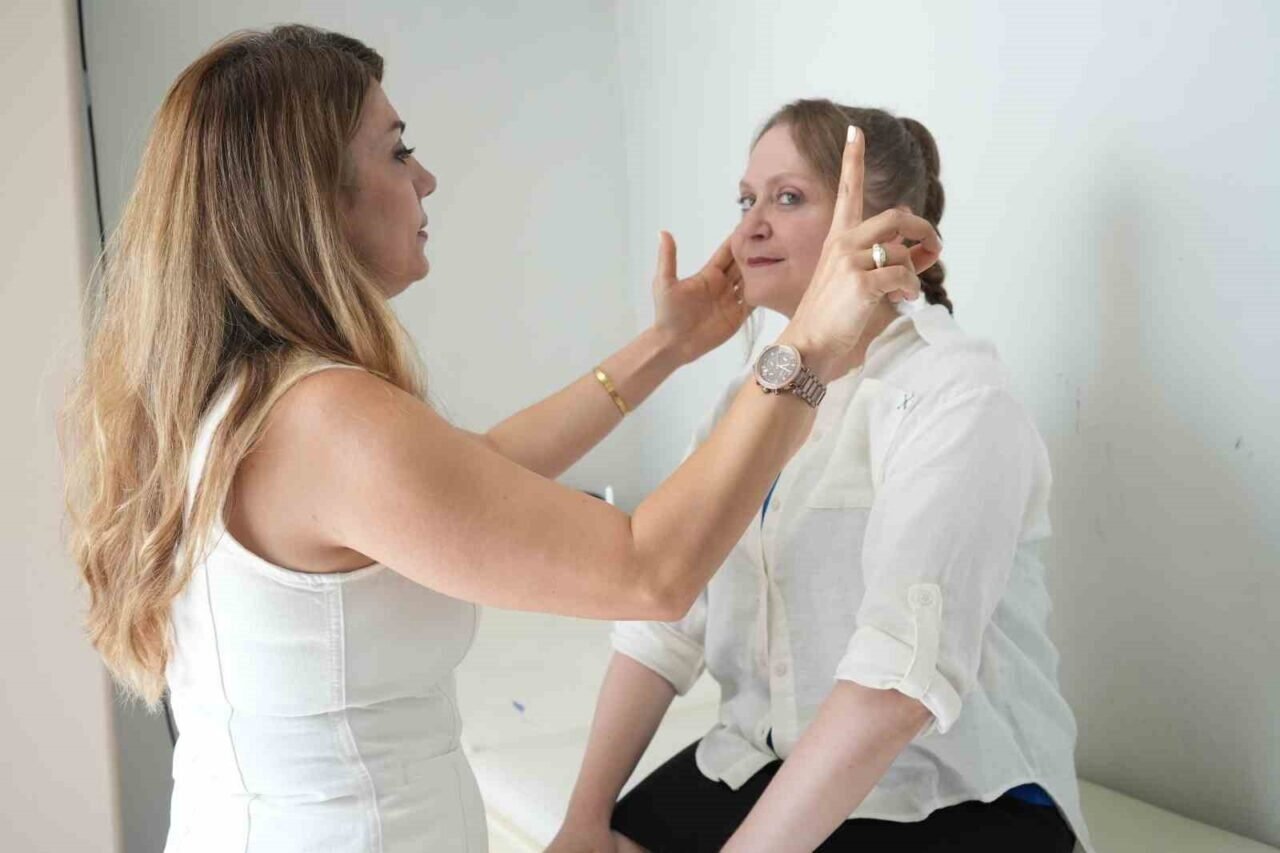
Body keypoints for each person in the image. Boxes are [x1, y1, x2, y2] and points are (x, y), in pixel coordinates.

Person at [60, 28, 939, 853]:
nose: (427, 178)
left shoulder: (243, 402)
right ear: (310, 196)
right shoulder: (325, 419)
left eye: (788, 197)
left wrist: (667, 347)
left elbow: (474, 473)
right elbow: (651, 574)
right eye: (398, 150)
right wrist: (805, 349)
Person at [549, 99, 1092, 853]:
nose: (748, 228)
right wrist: (581, 822)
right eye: (746, 200)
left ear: (888, 230)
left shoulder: (955, 393)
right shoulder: (750, 398)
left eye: (787, 197)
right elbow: (663, 626)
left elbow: (895, 687)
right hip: (767, 759)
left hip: (949, 793)